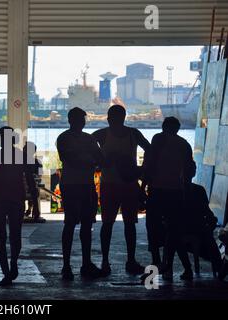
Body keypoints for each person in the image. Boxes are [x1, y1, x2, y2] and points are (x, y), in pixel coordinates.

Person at [92, 105, 150, 276]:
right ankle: (129, 261)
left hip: (113, 184)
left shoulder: (102, 134)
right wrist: (141, 170)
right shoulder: (133, 133)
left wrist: (99, 162)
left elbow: (86, 145)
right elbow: (150, 150)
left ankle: (106, 262)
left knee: (110, 224)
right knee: (128, 224)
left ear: (108, 118)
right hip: (127, 184)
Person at [0, 126, 38, 286]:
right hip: (16, 199)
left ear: (1, 138)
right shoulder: (21, 156)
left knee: (0, 236)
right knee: (15, 234)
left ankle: (6, 272)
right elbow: (30, 180)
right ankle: (13, 262)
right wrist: (33, 202)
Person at [144, 117, 196, 280]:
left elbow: (149, 165)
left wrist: (142, 187)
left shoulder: (158, 139)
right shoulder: (184, 145)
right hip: (176, 192)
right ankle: (185, 268)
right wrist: (186, 191)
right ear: (178, 129)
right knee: (174, 231)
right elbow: (190, 171)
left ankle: (157, 265)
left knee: (152, 229)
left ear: (163, 127)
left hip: (157, 191)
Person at [56, 107, 105, 280]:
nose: (82, 122)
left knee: (75, 224)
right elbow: (96, 159)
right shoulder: (87, 139)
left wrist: (84, 158)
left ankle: (70, 265)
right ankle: (82, 264)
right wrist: (89, 159)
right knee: (80, 225)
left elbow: (77, 158)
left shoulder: (64, 138)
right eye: (81, 119)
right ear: (73, 120)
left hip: (74, 184)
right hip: (80, 185)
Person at [181, 160, 222, 277]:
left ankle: (188, 269)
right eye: (192, 169)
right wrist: (211, 220)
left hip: (183, 227)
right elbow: (206, 211)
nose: (192, 171)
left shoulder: (177, 190)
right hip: (196, 227)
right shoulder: (199, 190)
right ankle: (218, 267)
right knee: (208, 236)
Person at [23, 141, 43, 222]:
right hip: (31, 189)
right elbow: (40, 176)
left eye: (24, 147)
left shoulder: (18, 162)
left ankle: (29, 209)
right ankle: (34, 210)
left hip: (19, 189)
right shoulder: (38, 162)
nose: (23, 148)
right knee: (33, 188)